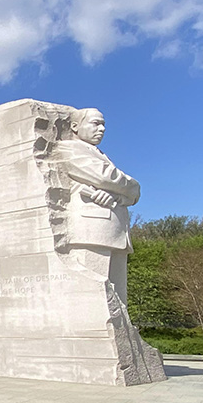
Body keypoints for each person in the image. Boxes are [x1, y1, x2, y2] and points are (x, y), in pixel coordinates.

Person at [56, 107, 141, 303]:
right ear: (75, 127)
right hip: (92, 230)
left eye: (103, 124)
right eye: (95, 123)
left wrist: (119, 195)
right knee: (92, 299)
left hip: (116, 232)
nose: (102, 129)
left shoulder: (100, 154)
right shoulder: (67, 148)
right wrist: (128, 186)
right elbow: (106, 177)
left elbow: (132, 192)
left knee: (118, 300)